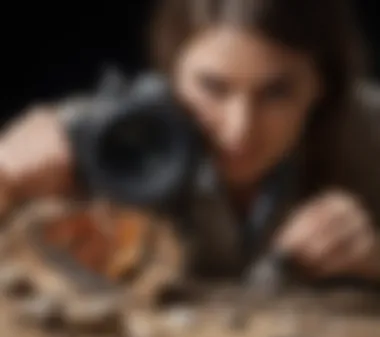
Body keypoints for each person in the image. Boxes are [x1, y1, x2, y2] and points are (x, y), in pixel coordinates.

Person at [1, 0, 380, 281]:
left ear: (323, 86)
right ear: (170, 74)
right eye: (213, 88)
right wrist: (6, 179)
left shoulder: (365, 128)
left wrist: (373, 258)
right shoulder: (102, 133)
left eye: (276, 93)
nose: (239, 129)